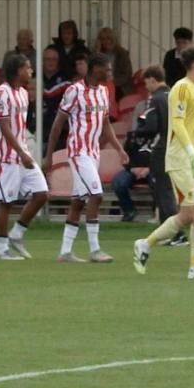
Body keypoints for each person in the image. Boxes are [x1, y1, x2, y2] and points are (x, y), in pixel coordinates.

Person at [133, 47, 194, 280]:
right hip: (181, 157)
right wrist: (192, 154)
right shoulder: (181, 88)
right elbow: (178, 124)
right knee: (189, 213)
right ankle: (145, 243)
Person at [43, 52, 127, 263]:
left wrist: (119, 149)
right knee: (96, 195)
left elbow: (106, 124)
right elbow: (58, 124)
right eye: (107, 69)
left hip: (93, 153)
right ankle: (94, 249)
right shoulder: (75, 91)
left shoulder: (104, 92)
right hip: (78, 152)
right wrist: (49, 155)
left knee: (78, 201)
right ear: (95, 69)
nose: (109, 72)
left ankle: (65, 252)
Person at [0, 53, 48, 260]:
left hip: (23, 154)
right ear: (17, 70)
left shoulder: (23, 93)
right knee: (6, 202)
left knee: (41, 194)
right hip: (6, 157)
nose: (31, 71)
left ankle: (17, 234)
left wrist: (24, 152)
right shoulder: (2, 92)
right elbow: (4, 126)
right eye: (27, 67)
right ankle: (2, 249)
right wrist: (21, 152)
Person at [134, 65, 184, 244]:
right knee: (171, 191)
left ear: (152, 79)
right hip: (178, 148)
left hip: (162, 149)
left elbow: (151, 126)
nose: (146, 86)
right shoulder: (175, 95)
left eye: (146, 82)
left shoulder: (155, 99)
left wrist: (139, 130)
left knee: (164, 192)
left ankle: (176, 234)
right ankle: (167, 234)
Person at [41, 45, 70, 148]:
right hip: (38, 125)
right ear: (43, 60)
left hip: (59, 129)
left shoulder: (66, 80)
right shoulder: (35, 77)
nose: (51, 62)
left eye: (54, 59)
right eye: (48, 59)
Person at [94, 27, 134, 98]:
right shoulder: (99, 54)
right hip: (102, 84)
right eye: (103, 39)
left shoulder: (122, 53)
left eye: (108, 38)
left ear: (113, 39)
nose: (106, 41)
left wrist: (113, 83)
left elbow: (127, 74)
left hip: (119, 86)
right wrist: (97, 51)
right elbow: (93, 69)